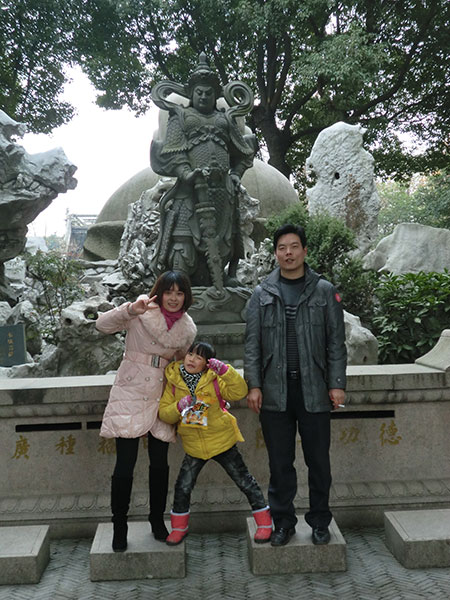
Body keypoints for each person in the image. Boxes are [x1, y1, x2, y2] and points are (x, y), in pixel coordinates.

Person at [244, 223, 347, 547]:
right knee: (279, 463)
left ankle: (320, 521)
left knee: (319, 462)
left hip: (314, 390)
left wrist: (337, 383)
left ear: (304, 250)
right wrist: (254, 385)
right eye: (281, 248)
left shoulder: (324, 291)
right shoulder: (261, 293)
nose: (288, 253)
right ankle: (283, 523)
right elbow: (252, 345)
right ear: (275, 253)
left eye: (293, 247)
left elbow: (336, 343)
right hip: (275, 391)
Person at [96, 271, 197, 552]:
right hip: (130, 391)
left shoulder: (187, 329)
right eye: (169, 292)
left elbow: (185, 365)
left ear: (186, 297)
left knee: (160, 464)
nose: (173, 298)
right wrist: (129, 309)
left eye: (179, 293)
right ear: (159, 293)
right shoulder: (141, 311)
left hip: (162, 395)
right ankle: (119, 525)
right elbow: (102, 325)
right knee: (125, 464)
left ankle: (157, 520)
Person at [150, 53, 256, 289]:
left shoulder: (225, 119)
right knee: (183, 240)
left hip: (222, 190)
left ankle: (225, 277)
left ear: (216, 94)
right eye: (199, 92)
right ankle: (179, 288)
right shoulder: (180, 116)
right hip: (190, 190)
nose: (204, 96)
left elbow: (243, 153)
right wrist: (186, 172)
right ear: (191, 93)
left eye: (209, 92)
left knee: (226, 238)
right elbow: (173, 151)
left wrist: (236, 174)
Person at [158, 341, 272, 545]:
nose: (192, 359)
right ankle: (178, 528)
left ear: (207, 363)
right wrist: (179, 406)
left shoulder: (215, 378)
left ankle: (264, 523)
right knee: (183, 486)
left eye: (199, 357)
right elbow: (164, 413)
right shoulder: (174, 381)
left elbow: (239, 392)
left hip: (222, 441)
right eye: (190, 354)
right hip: (193, 445)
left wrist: (226, 371)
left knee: (245, 481)